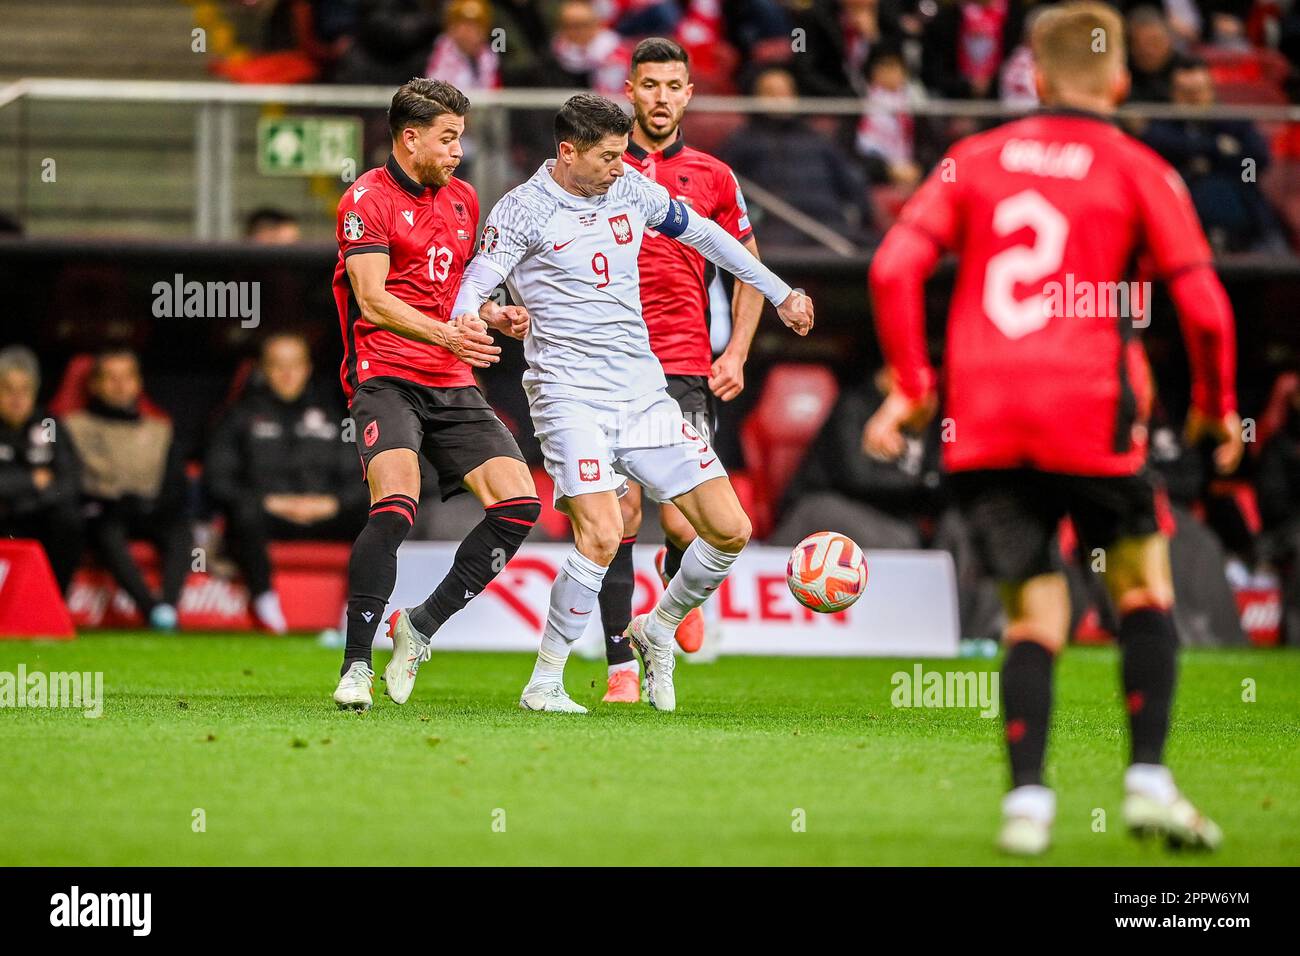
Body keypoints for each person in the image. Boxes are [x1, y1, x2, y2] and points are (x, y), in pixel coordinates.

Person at [866, 2, 1240, 855]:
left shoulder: (972, 159)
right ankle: (1147, 782)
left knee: (1035, 614)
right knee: (1142, 589)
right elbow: (1209, 314)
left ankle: (1026, 807)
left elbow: (893, 264)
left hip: (984, 420)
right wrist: (1217, 408)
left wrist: (917, 387)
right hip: (1090, 410)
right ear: (1118, 79)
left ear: (1030, 76)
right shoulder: (1139, 166)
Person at [452, 93, 813, 713]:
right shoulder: (523, 210)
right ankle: (545, 682)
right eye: (610, 157)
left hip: (642, 393)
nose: (623, 166)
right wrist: (473, 318)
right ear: (567, 152)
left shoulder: (630, 189)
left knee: (730, 530)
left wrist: (780, 293)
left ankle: (659, 626)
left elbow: (708, 236)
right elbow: (475, 282)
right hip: (569, 396)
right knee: (601, 532)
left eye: (624, 155)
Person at [330, 78, 540, 712]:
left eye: (462, 137)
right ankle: (355, 665)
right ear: (410, 136)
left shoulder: (464, 199)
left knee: (520, 505)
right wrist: (448, 331)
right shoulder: (366, 198)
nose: (458, 149)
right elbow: (372, 298)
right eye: (448, 137)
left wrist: (494, 316)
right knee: (395, 505)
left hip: (450, 377)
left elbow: (455, 292)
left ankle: (419, 627)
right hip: (385, 374)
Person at [583, 36, 766, 703]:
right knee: (620, 515)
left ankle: (675, 601)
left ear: (689, 93)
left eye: (673, 86)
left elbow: (749, 267)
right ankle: (620, 671)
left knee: (688, 521)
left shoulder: (714, 177)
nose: (660, 98)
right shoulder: (597, 164)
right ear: (628, 90)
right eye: (649, 85)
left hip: (684, 366)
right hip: (609, 366)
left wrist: (737, 352)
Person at [205, 333, 368, 634]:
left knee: (376, 515)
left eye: (295, 364)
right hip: (267, 515)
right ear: (263, 369)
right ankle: (265, 601)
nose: (287, 373)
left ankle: (356, 609)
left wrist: (332, 503)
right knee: (243, 512)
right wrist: (269, 502)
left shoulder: (336, 416)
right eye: (278, 365)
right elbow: (217, 480)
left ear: (307, 368)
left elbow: (362, 479)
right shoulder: (238, 416)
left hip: (325, 514)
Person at [63, 348, 193, 631]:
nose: (121, 385)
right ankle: (150, 610)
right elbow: (71, 482)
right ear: (94, 384)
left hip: (151, 511)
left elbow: (176, 486)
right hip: (105, 513)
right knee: (107, 531)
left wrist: (154, 504)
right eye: (111, 378)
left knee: (181, 531)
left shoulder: (160, 429)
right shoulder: (72, 427)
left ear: (139, 383)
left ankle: (167, 607)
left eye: (127, 377)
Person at [1142, 57, 1288, 254]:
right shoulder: (1161, 123)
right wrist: (1217, 148)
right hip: (1178, 211)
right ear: (1173, 94)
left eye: (1198, 92)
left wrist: (1211, 159)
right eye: (1186, 93)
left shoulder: (1232, 121)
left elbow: (1256, 161)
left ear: (1210, 91)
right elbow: (1157, 147)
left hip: (1240, 211)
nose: (1193, 100)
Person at [722, 66, 875, 246]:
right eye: (770, 93)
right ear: (756, 98)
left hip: (831, 228)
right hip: (775, 232)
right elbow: (725, 192)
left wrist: (856, 215)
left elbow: (852, 183)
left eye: (785, 92)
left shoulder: (817, 139)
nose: (780, 99)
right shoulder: (743, 142)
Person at [0, 346, 82, 594]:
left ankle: (53, 601)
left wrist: (27, 500)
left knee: (69, 519)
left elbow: (70, 480)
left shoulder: (49, 424)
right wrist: (32, 481)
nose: (17, 397)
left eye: (25, 389)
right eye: (8, 389)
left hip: (37, 514)